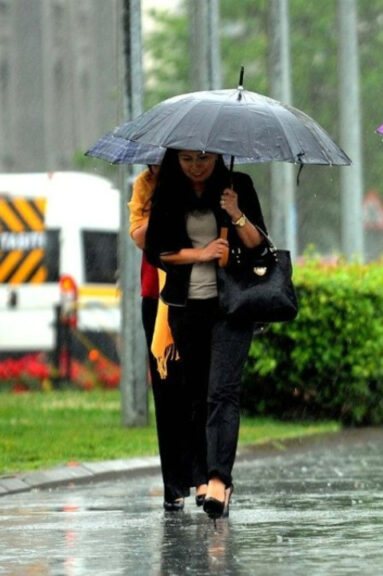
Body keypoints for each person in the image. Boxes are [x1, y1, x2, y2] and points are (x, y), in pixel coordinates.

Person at [145, 149, 267, 520]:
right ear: (174, 161)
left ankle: (218, 481)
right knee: (196, 393)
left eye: (203, 157)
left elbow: (259, 246)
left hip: (231, 307)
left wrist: (235, 213)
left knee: (223, 392)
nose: (196, 165)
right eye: (186, 159)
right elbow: (156, 251)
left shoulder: (238, 185)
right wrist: (199, 255)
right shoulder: (168, 191)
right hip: (187, 309)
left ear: (217, 156)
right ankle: (201, 474)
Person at [128, 164, 197, 512]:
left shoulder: (203, 180)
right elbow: (139, 235)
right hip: (156, 297)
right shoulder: (147, 184)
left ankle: (205, 478)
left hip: (199, 294)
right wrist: (166, 213)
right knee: (166, 390)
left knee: (198, 389)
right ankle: (174, 485)